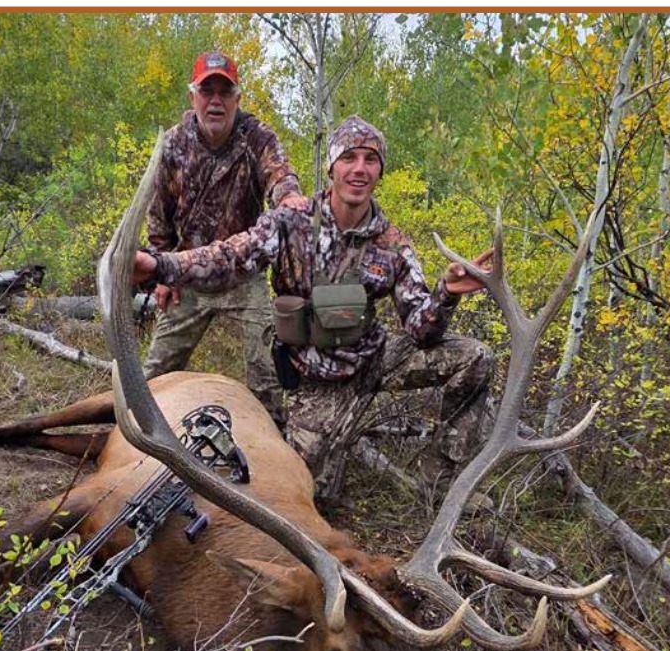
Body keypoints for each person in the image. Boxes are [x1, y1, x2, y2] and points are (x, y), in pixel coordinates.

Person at [133, 115, 494, 504]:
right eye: (349, 158)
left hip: (372, 358)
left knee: (475, 357)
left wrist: (447, 292)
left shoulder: (392, 245)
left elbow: (422, 331)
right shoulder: (291, 224)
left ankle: (441, 484)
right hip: (319, 383)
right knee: (307, 497)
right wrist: (161, 265)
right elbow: (228, 257)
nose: (359, 169)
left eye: (370, 160)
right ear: (332, 167)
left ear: (380, 171)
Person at [141, 51, 306, 421]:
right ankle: (136, 439)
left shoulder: (257, 137)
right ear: (193, 96)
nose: (215, 100)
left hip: (243, 279)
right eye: (207, 90)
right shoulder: (172, 145)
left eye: (224, 92)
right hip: (187, 277)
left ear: (237, 99)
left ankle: (275, 447)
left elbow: (280, 174)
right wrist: (162, 275)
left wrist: (289, 197)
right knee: (153, 379)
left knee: (268, 379)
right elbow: (158, 212)